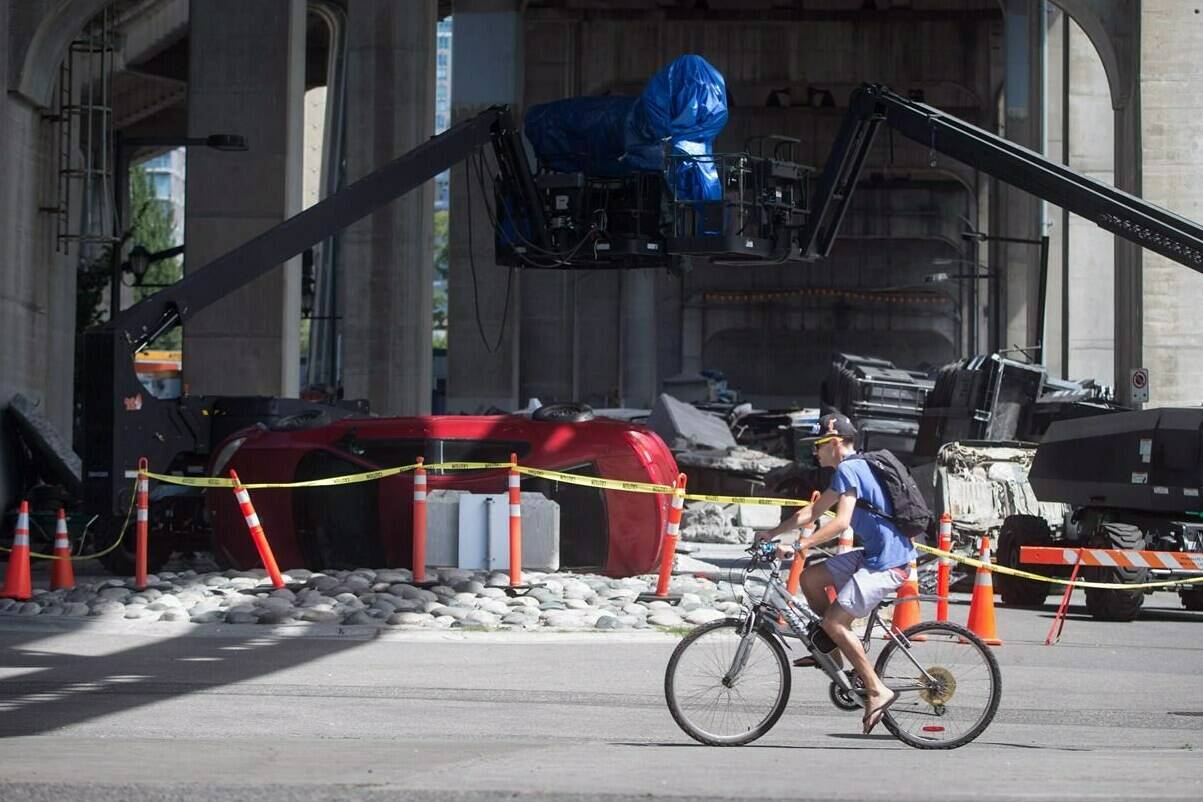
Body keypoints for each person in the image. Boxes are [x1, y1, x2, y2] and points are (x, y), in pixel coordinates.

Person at [759, 413, 916, 735]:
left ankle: (876, 689)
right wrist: (772, 534)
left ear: (832, 443)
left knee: (833, 621)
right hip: (872, 555)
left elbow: (841, 522)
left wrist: (801, 545)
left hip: (887, 562)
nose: (814, 453)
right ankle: (832, 652)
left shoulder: (850, 468)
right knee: (810, 580)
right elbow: (811, 513)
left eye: (816, 446)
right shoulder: (848, 471)